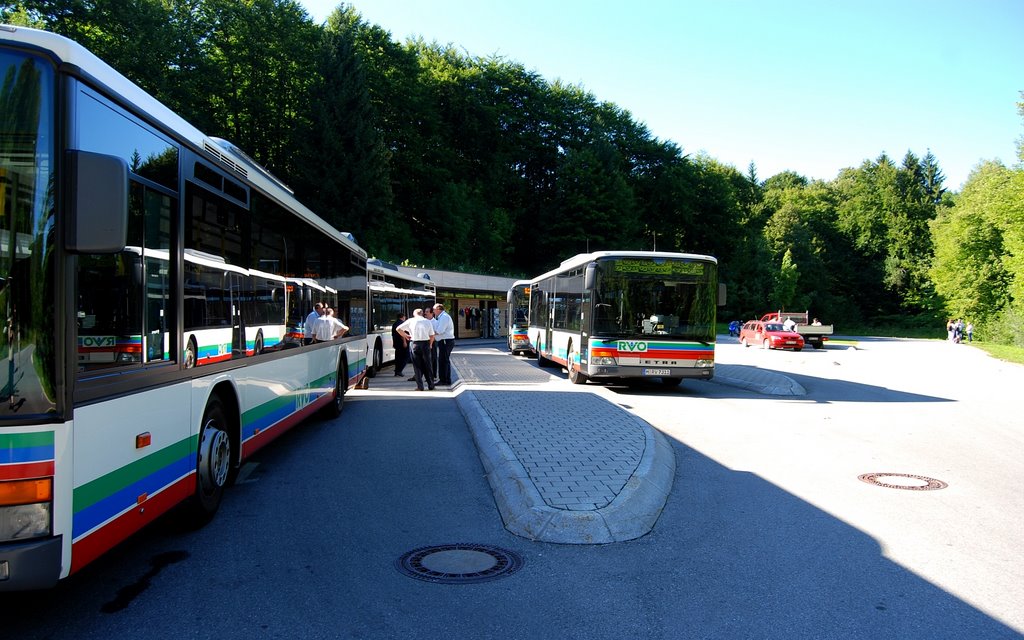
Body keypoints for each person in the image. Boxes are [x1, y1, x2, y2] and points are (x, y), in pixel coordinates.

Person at [396, 308, 436, 391]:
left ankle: (420, 386)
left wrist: (406, 336)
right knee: (428, 364)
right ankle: (431, 384)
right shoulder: (427, 321)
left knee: (417, 365)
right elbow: (432, 335)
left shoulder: (410, 321)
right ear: (422, 314)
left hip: (414, 343)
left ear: (414, 314)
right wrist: (431, 344)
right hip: (425, 343)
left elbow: (398, 329)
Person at [433, 303, 456, 385]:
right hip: (444, 340)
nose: (433, 311)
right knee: (443, 360)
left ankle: (444, 380)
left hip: (446, 341)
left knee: (444, 360)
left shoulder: (444, 317)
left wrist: (431, 334)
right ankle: (445, 379)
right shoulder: (442, 317)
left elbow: (440, 330)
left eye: (434, 309)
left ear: (439, 309)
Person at [424, 306, 439, 382]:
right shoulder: (424, 321)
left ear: (431, 313)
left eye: (427, 312)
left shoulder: (435, 322)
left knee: (433, 359)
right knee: (427, 359)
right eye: (425, 312)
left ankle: (433, 375)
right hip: (425, 342)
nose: (425, 313)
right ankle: (428, 375)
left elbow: (436, 333)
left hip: (433, 342)